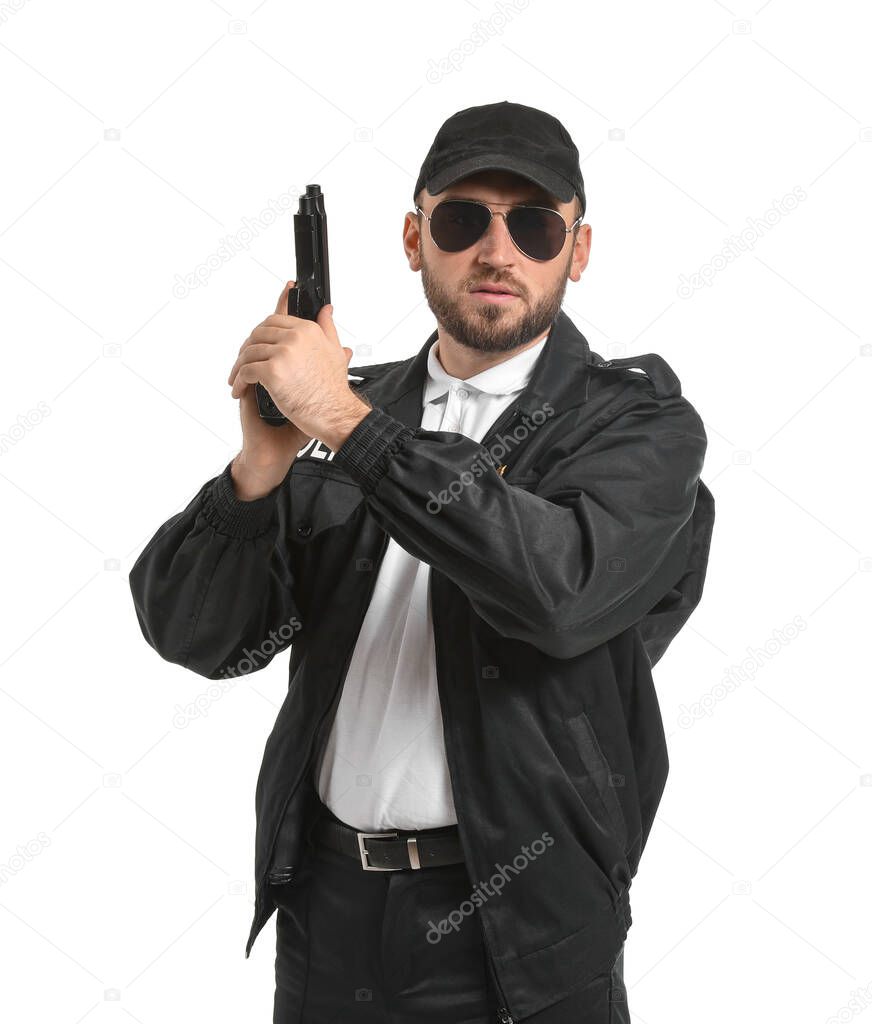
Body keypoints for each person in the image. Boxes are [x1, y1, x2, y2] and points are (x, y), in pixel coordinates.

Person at [129, 100, 715, 1023]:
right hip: (327, 915)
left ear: (579, 250)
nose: (497, 251)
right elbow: (197, 637)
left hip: (521, 930)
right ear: (414, 238)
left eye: (532, 225)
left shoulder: (636, 425)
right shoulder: (345, 411)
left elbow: (558, 593)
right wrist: (259, 468)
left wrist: (345, 427)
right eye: (461, 220)